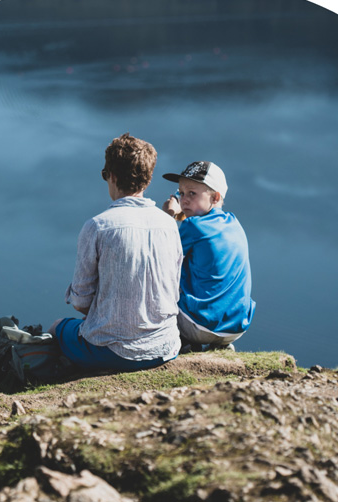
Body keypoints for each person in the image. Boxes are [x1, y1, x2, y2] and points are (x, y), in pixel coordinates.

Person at [49, 133, 183, 371]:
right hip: (167, 346)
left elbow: (80, 303)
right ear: (148, 179)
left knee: (58, 327)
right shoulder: (169, 225)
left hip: (116, 352)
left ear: (111, 176)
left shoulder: (97, 226)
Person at [162, 161, 255, 351]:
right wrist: (186, 217)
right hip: (236, 326)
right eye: (180, 192)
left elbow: (159, 254)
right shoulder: (233, 222)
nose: (184, 199)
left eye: (192, 193)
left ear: (215, 197)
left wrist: (169, 216)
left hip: (200, 326)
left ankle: (182, 342)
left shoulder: (193, 226)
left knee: (159, 274)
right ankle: (218, 345)